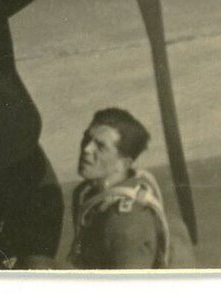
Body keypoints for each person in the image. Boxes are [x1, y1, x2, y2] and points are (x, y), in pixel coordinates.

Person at [69, 107, 189, 269]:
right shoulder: (88, 196)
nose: (86, 149)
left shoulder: (127, 223)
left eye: (101, 146)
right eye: (86, 139)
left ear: (123, 163)